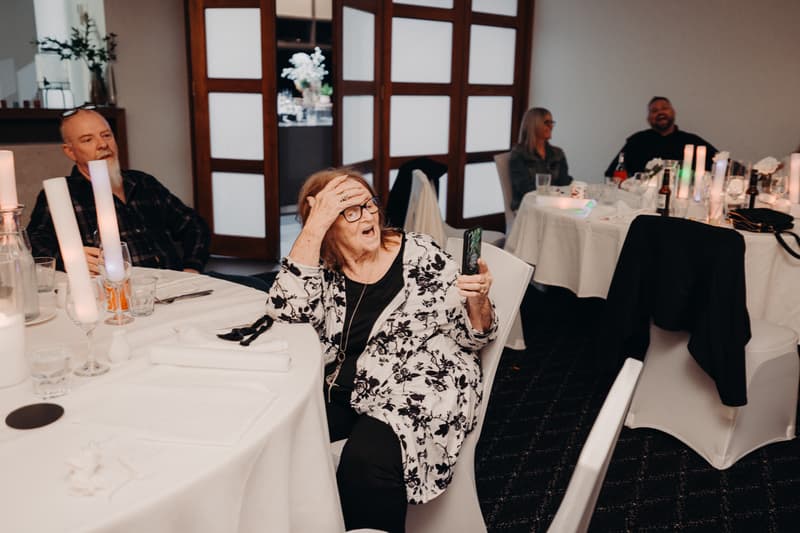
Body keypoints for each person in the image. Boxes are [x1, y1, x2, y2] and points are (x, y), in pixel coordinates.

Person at [265, 168, 497, 532]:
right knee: (274, 436)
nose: (368, 216)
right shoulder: (322, 266)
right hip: (345, 387)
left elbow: (475, 337)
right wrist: (314, 226)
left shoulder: (420, 254)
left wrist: (478, 301)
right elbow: (285, 317)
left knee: (366, 462)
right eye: (349, 210)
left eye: (369, 204)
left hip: (422, 382)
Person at [27, 106, 210, 275]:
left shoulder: (143, 183)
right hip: (116, 293)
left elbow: (193, 224)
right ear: (70, 152)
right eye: (88, 140)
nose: (102, 145)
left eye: (106, 135)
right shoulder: (63, 194)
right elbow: (34, 246)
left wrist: (192, 267)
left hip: (174, 283)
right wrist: (68, 258)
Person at [605, 96, 717, 177]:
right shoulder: (636, 141)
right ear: (648, 119)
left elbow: (721, 164)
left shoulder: (692, 142)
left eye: (664, 108)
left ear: (673, 113)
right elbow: (611, 173)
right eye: (654, 111)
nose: (660, 112)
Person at [509, 107, 572, 210]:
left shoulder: (558, 153)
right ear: (534, 125)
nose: (551, 126)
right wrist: (552, 193)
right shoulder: (519, 154)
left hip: (553, 205)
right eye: (547, 122)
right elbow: (524, 188)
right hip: (527, 208)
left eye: (552, 122)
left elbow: (564, 182)